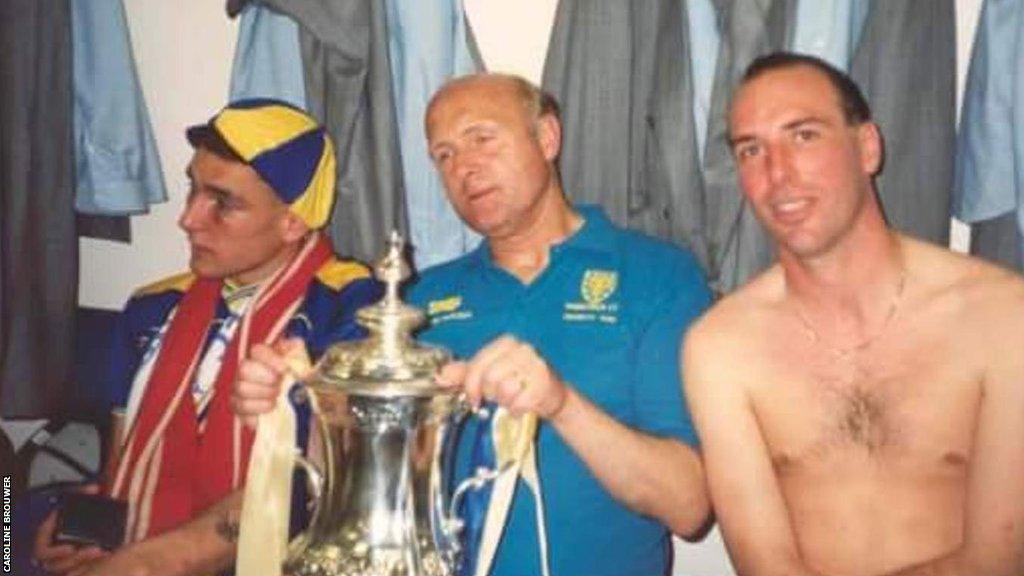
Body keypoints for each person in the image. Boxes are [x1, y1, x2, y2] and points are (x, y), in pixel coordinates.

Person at [234, 73, 712, 576]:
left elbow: (687, 505)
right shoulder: (420, 301)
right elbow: (365, 488)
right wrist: (290, 412)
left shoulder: (657, 276)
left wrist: (561, 403)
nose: (464, 168)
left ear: (547, 138)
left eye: (482, 138)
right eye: (443, 155)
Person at [684, 52, 1024, 576]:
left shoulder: (1000, 315)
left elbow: (1001, 558)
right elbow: (764, 566)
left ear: (867, 147)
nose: (777, 174)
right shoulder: (722, 346)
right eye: (751, 150)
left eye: (803, 136)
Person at [32, 99, 380, 576]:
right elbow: (120, 465)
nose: (189, 219)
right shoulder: (153, 308)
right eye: (192, 191)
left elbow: (309, 486)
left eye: (223, 203)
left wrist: (145, 565)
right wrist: (76, 529)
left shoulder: (350, 307)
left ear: (293, 221)